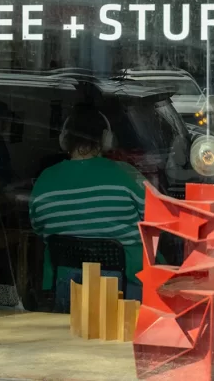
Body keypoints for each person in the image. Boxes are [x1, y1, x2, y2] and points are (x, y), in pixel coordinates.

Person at [29, 103, 145, 298]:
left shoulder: (44, 180)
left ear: (64, 141)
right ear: (106, 140)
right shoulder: (127, 174)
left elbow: (37, 228)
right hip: (127, 289)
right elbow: (156, 221)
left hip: (67, 289)